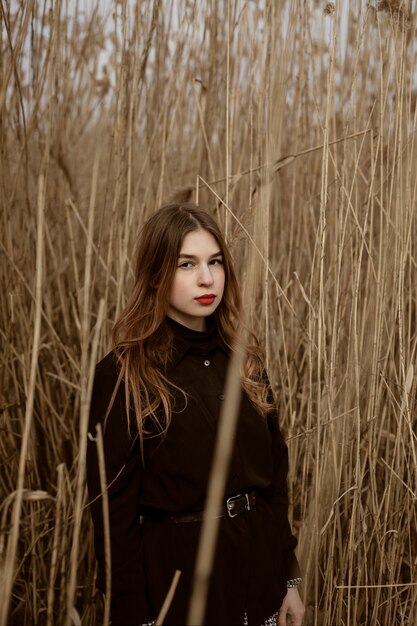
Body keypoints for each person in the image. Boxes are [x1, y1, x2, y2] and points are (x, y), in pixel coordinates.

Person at [87, 203, 305, 626]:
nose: (207, 278)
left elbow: (275, 480)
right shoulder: (122, 375)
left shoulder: (246, 362)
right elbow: (113, 515)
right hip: (181, 592)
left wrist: (289, 579)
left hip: (260, 583)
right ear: (155, 274)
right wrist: (135, 616)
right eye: (187, 264)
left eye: (215, 262)